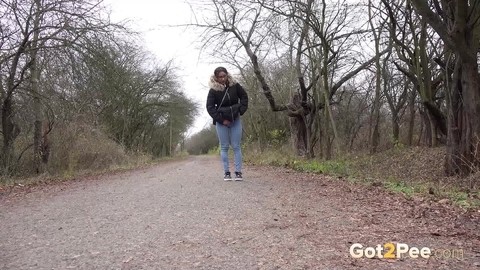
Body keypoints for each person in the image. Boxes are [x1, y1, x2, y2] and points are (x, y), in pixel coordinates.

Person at [206, 67, 248, 181]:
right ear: (216, 77)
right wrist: (221, 120)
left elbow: (244, 97)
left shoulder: (235, 86)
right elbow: (210, 108)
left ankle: (238, 172)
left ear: (227, 75)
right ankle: (227, 173)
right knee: (224, 147)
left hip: (235, 119)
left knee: (236, 146)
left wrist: (241, 111)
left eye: (224, 76)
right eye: (220, 77)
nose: (222, 78)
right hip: (222, 121)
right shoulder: (213, 90)